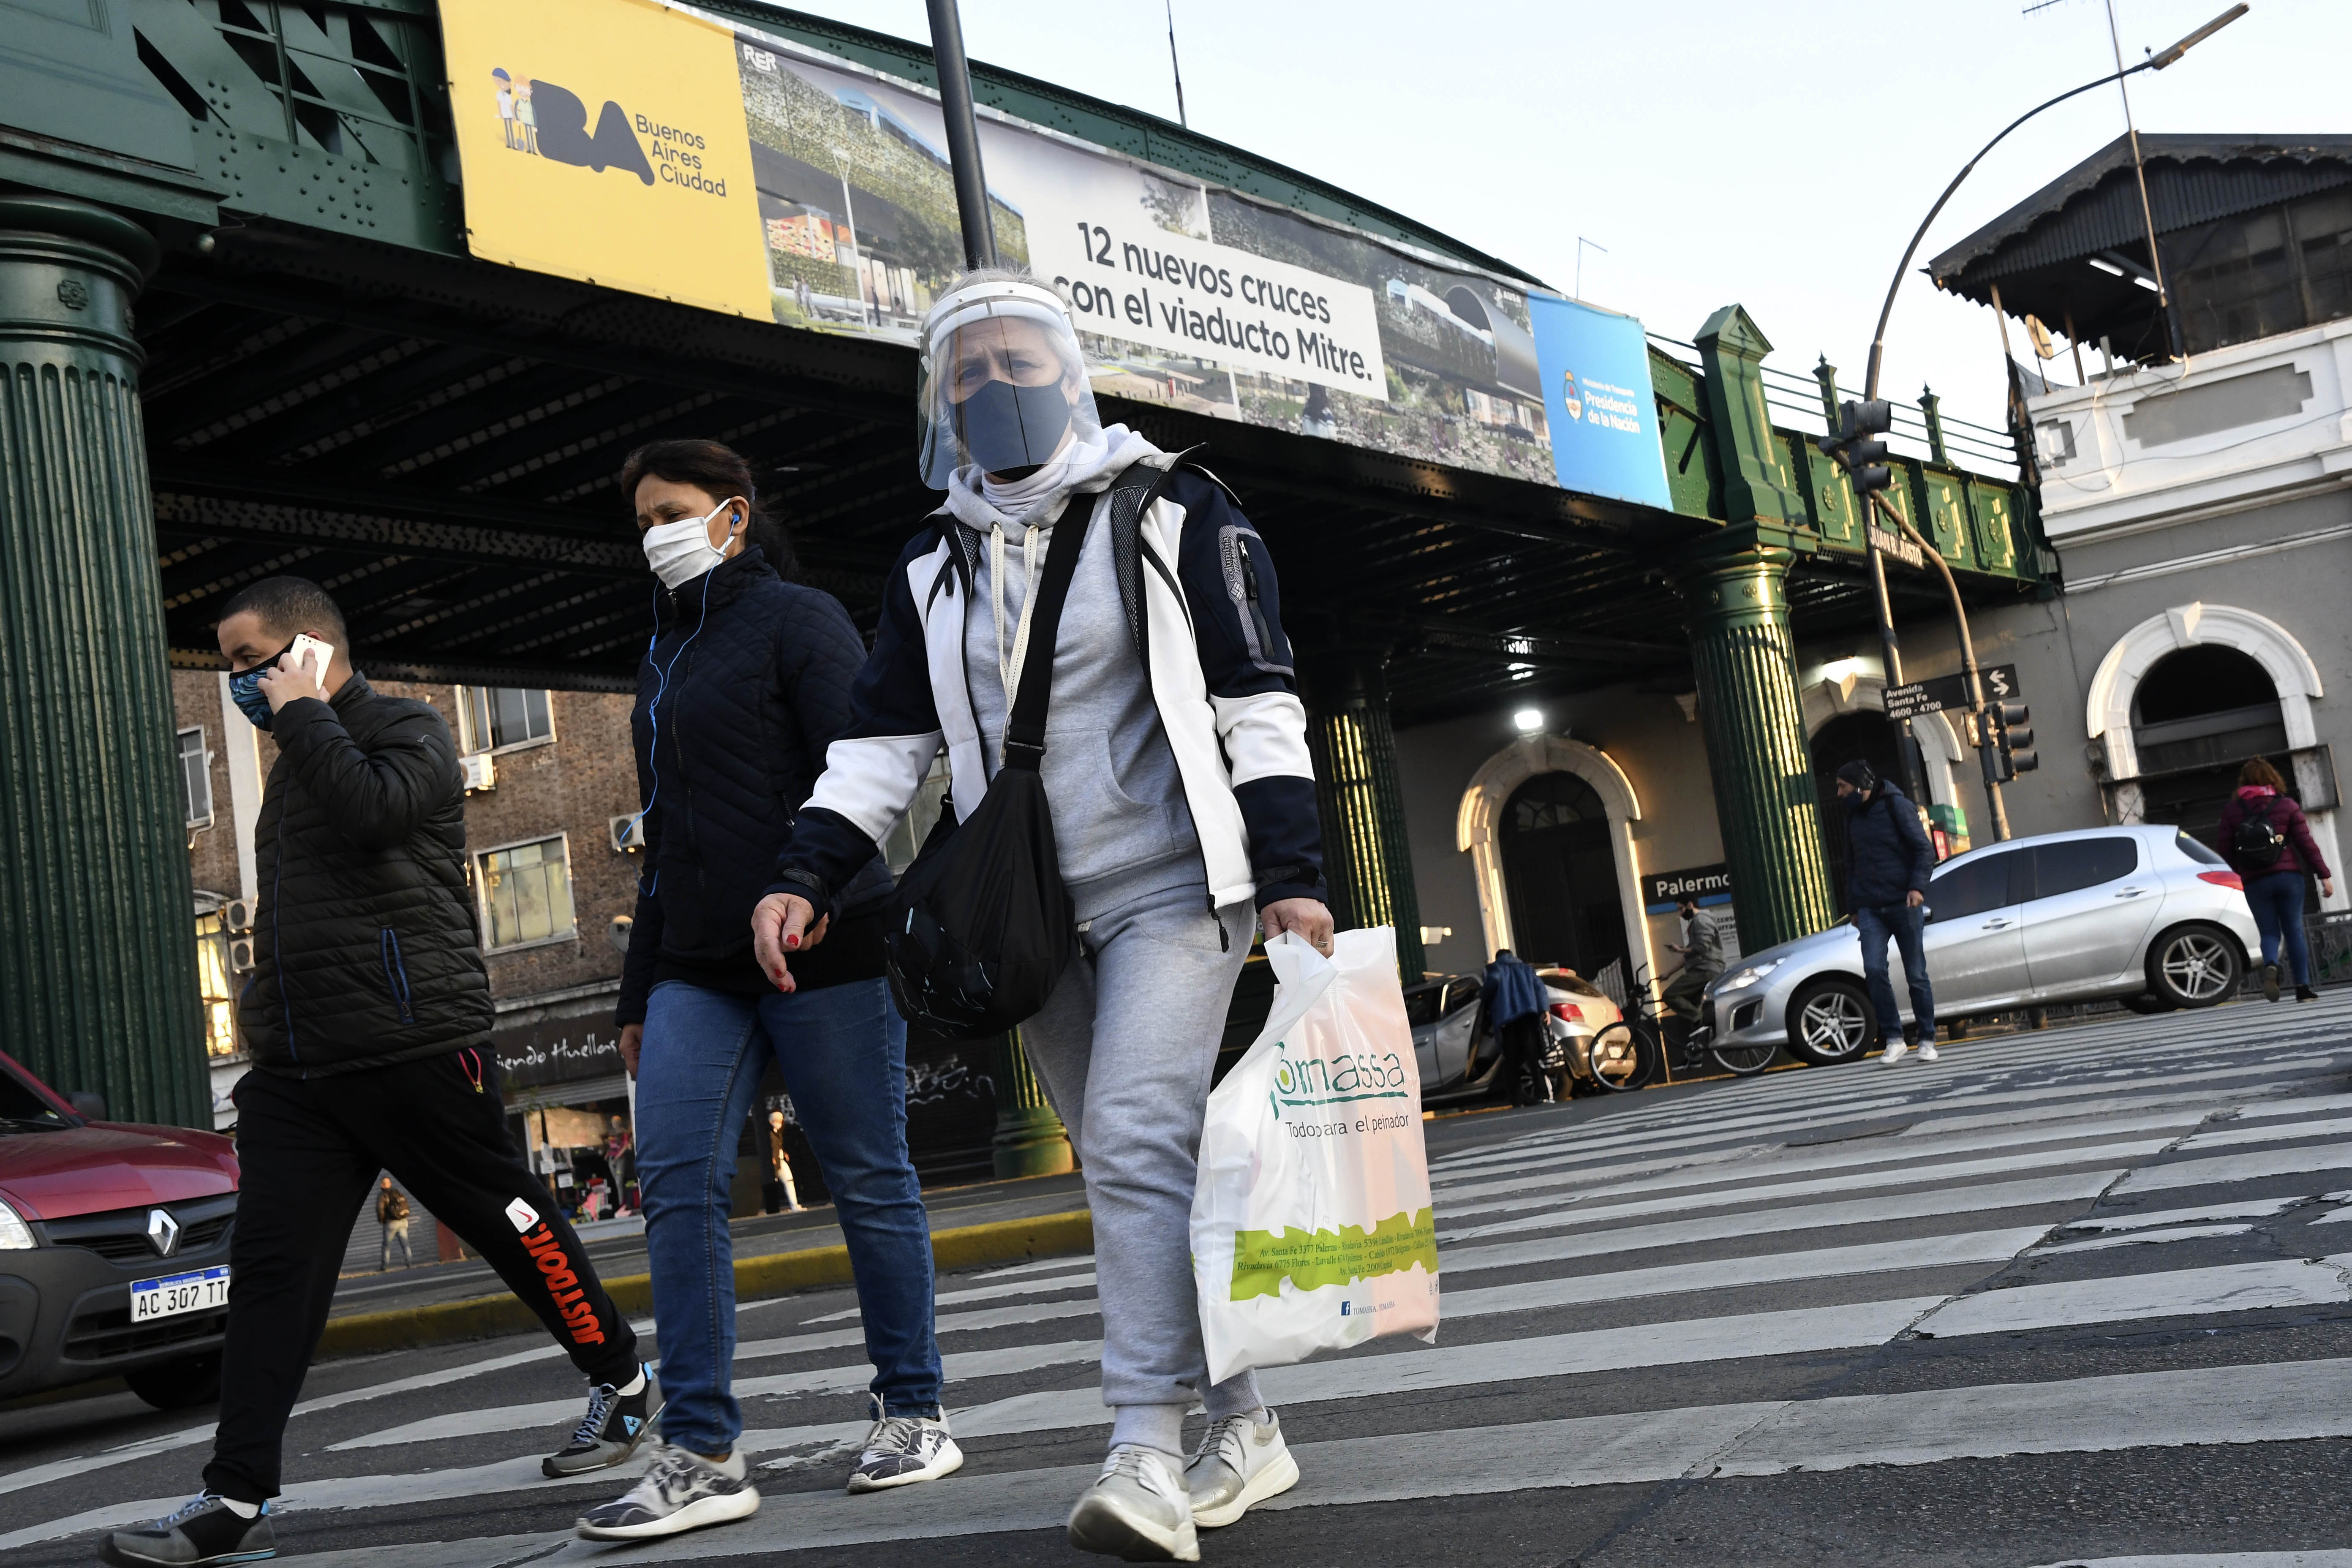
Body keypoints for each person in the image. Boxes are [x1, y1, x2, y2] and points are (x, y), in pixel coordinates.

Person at [751, 268, 1331, 1563]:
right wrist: (801, 870)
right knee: (1136, 1163)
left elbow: (1257, 702)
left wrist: (1290, 866)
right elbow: (882, 746)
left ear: (1070, 376)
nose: (994, 388)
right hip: (1023, 914)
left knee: (1128, 1134)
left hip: (1178, 884)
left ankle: (1140, 1443)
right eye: (966, 373)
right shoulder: (931, 559)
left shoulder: (1180, 509)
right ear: (937, 406)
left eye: (1018, 363)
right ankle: (1245, 1421)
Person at [102, 578, 652, 1568]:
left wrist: (305, 709)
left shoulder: (409, 729)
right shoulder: (295, 760)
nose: (236, 681)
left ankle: (621, 1377)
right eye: (228, 664)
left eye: (245, 661)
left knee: (510, 1220)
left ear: (306, 651)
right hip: (300, 1071)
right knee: (272, 1273)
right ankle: (235, 1500)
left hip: (415, 1048)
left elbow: (374, 816)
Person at [577, 439, 952, 1546]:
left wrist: (815, 882)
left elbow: (863, 767)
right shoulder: (660, 654)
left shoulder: (799, 618)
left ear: (733, 516)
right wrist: (638, 992)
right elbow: (663, 841)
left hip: (826, 934)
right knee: (679, 1181)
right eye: (642, 519)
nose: (655, 534)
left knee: (867, 1173)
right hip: (697, 962)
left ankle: (914, 1409)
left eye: (674, 511)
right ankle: (700, 1450)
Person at [1834, 759, 1938, 1067]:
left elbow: (1924, 849)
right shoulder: (1852, 816)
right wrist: (1854, 908)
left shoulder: (1897, 806)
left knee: (1916, 974)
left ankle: (1928, 1039)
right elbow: (1850, 865)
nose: (1839, 794)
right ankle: (1894, 1039)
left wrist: (1917, 888)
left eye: (1843, 787)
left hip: (1902, 903)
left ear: (1861, 786)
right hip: (1869, 908)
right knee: (1875, 971)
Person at [2218, 758, 2336, 1003]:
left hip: (2255, 882)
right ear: (2273, 778)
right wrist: (2324, 875)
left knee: (2269, 933)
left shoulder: (2232, 811)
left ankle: (2271, 963)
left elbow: (2224, 850)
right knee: (2294, 931)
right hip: (2288, 878)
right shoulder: (2287, 805)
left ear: (2244, 781)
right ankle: (2303, 988)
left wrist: (2240, 874)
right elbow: (2306, 845)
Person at [1481, 948, 1548, 1105]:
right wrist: (1545, 1010)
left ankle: (1516, 1099)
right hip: (1528, 1019)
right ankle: (1542, 1093)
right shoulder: (1526, 969)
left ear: (1498, 958)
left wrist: (1482, 996)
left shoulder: (1496, 969)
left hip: (1507, 1021)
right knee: (1533, 1057)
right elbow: (1540, 988)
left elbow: (1491, 986)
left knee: (1511, 1061)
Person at [1663, 896, 1724, 1028]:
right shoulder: (1696, 922)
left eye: (1681, 909)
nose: (1680, 913)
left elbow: (1701, 948)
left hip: (1706, 970)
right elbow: (1689, 955)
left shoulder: (1701, 920)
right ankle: (1702, 1036)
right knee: (1688, 1005)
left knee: (1670, 995)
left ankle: (1699, 1019)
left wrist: (1680, 950)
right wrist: (1667, 973)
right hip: (1704, 970)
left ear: (1690, 904)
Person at [763, 1109, 803, 1213]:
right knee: (784, 1181)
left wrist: (784, 1153)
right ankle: (791, 1205)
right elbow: (770, 1147)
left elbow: (777, 1146)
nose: (780, 1124)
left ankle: (794, 1205)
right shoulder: (769, 1133)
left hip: (779, 1160)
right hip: (776, 1161)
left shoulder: (776, 1133)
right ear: (771, 1121)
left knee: (789, 1180)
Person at [375, 1178, 412, 1271]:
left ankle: (385, 1266)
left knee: (387, 1246)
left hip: (391, 1224)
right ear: (390, 1184)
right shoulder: (397, 1192)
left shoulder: (383, 1195)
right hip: (403, 1222)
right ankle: (409, 1263)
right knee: (405, 1244)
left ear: (382, 1185)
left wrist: (382, 1221)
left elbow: (380, 1210)